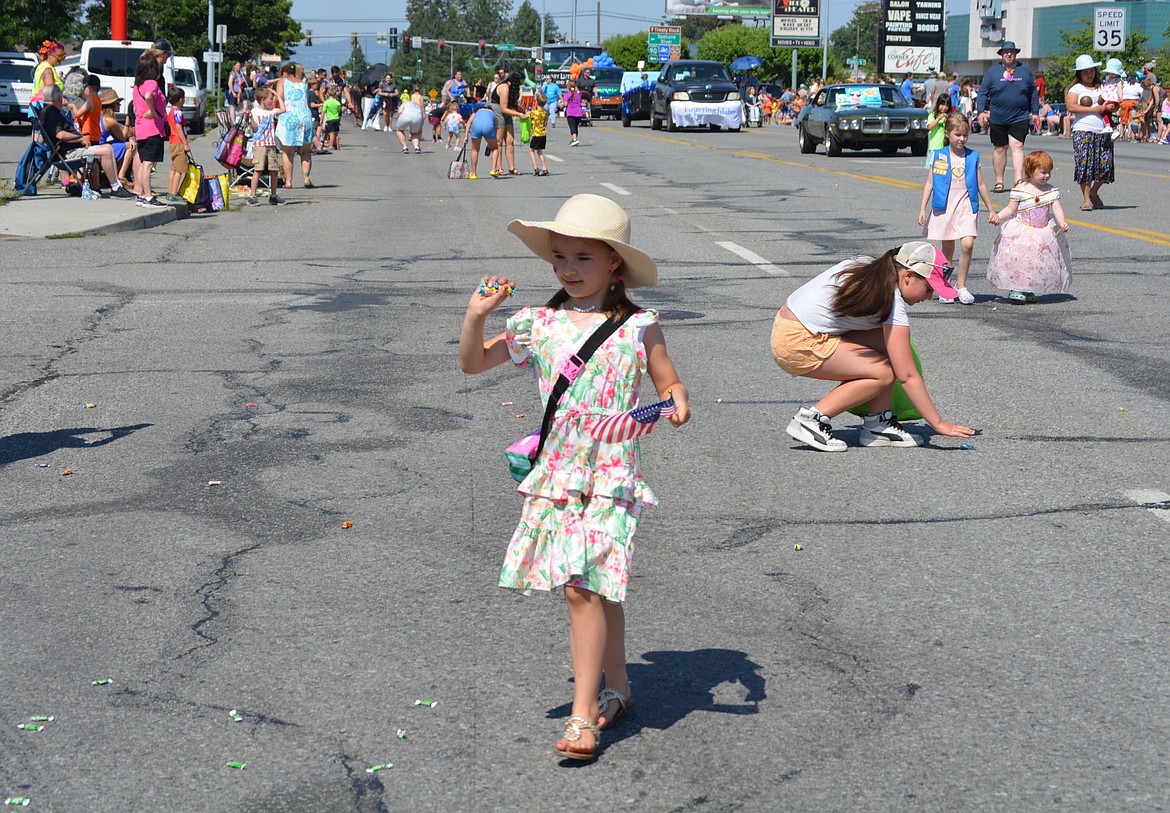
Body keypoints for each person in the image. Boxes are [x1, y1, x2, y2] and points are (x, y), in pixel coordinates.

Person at [458, 193, 690, 761]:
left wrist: (674, 405)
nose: (567, 269)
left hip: (612, 474)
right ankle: (619, 689)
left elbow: (670, 384)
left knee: (583, 586)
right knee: (595, 585)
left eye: (583, 258)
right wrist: (475, 316)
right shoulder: (538, 323)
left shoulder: (640, 325)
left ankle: (584, 716)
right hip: (558, 475)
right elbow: (473, 363)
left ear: (615, 262)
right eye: (559, 257)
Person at [773, 241, 975, 452]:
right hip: (796, 341)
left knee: (892, 345)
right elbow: (907, 376)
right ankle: (810, 419)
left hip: (790, 328)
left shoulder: (873, 267)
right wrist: (938, 424)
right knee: (884, 373)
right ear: (908, 276)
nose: (929, 297)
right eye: (928, 288)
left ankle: (878, 424)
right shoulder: (891, 299)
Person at [917, 113, 996, 305]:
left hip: (966, 205)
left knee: (968, 243)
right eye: (957, 135)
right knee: (948, 249)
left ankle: (962, 286)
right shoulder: (939, 155)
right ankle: (946, 285)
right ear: (947, 134)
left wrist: (991, 209)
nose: (961, 139)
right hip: (944, 206)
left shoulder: (973, 156)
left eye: (965, 135)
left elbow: (981, 184)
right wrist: (922, 208)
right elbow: (929, 183)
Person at [985, 150, 1071, 303]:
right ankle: (1016, 288)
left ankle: (1029, 287)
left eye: (1049, 172)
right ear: (1030, 171)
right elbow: (1011, 209)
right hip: (1022, 230)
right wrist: (998, 217)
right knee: (1020, 260)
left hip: (1042, 231)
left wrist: (1062, 221)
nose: (1046, 176)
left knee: (1037, 261)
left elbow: (1056, 208)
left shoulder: (1050, 191)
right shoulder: (1021, 190)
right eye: (1043, 172)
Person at [40, 86, 134, 198]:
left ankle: (116, 185)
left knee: (107, 148)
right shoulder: (51, 113)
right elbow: (60, 134)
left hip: (68, 150)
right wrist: (81, 138)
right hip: (67, 153)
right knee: (106, 150)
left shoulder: (48, 112)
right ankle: (115, 187)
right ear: (60, 98)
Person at [976, 41, 1040, 192]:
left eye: (1011, 52)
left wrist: (1035, 112)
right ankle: (999, 180)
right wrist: (981, 111)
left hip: (1019, 116)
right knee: (1000, 148)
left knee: (1017, 146)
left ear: (1016, 54)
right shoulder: (993, 71)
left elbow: (1033, 92)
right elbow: (983, 92)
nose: (1009, 54)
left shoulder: (1024, 70)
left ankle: (1018, 179)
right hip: (998, 117)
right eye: (1006, 52)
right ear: (1002, 54)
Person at [1066, 55, 1115, 211]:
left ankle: (1094, 192)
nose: (1089, 74)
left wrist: (1113, 107)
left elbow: (1112, 102)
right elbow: (1071, 107)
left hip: (1103, 130)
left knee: (1105, 166)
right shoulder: (1075, 89)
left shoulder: (1103, 87)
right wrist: (1094, 109)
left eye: (1092, 70)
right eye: (1085, 71)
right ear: (1079, 73)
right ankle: (1086, 199)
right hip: (1083, 130)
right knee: (1085, 165)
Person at [132, 50, 170, 208]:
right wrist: (153, 111)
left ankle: (141, 194)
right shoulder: (151, 84)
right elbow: (149, 96)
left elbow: (135, 109)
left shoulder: (137, 85)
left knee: (142, 163)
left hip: (141, 128)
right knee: (148, 164)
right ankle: (148, 197)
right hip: (152, 128)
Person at [246, 86, 287, 206]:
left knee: (274, 170)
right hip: (259, 144)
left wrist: (276, 94)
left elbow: (283, 109)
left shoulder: (271, 112)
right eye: (271, 98)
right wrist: (250, 119)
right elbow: (254, 128)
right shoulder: (255, 111)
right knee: (258, 170)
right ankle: (252, 196)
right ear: (263, 99)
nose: (273, 100)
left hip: (271, 144)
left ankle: (273, 195)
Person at [275, 62, 314, 188]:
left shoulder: (282, 82)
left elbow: (279, 98)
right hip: (304, 117)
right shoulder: (304, 83)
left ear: (285, 73)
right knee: (306, 151)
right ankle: (306, 178)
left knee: (288, 152)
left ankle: (288, 181)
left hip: (288, 117)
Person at [492, 71, 529, 175]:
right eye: (520, 83)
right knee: (499, 141)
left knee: (510, 140)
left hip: (508, 111)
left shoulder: (512, 89)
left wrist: (521, 110)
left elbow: (511, 105)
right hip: (498, 111)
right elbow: (503, 108)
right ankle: (499, 167)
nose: (520, 86)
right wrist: (519, 115)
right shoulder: (504, 88)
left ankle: (511, 167)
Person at [98, 88, 135, 186]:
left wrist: (129, 135)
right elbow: (123, 136)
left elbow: (120, 131)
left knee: (122, 145)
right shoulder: (110, 120)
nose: (119, 105)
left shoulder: (102, 116)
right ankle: (121, 175)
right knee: (129, 146)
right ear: (111, 105)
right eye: (117, 103)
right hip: (102, 147)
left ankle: (116, 174)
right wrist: (127, 122)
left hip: (98, 144)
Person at [165, 86, 190, 202]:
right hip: (179, 142)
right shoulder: (178, 112)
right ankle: (174, 192)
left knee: (174, 169)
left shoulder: (171, 111)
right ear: (180, 99)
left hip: (172, 142)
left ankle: (170, 191)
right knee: (179, 169)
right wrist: (185, 143)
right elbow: (179, 128)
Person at [465, 104, 497, 180]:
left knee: (475, 150)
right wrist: (490, 142)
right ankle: (493, 170)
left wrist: (466, 136)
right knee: (495, 148)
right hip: (488, 127)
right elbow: (495, 127)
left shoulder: (476, 112)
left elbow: (469, 123)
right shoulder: (493, 114)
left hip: (476, 127)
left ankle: (473, 174)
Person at [395, 85, 425, 154]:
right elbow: (422, 106)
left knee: (399, 130)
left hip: (406, 115)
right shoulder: (420, 97)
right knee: (415, 133)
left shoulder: (407, 102)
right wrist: (423, 114)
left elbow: (399, 111)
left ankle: (405, 147)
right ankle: (416, 147)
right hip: (418, 114)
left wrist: (400, 119)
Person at [923, 93, 952, 167]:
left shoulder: (950, 117)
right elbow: (929, 127)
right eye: (942, 105)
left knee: (942, 170)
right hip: (934, 147)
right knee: (932, 170)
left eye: (947, 105)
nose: (944, 107)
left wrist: (947, 121)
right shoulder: (933, 115)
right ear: (938, 104)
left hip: (945, 148)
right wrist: (938, 118)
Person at [528, 92, 549, 175]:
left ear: (536, 102)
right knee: (540, 152)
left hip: (536, 134)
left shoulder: (534, 113)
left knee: (531, 150)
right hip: (543, 134)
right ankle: (544, 168)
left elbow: (526, 116)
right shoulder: (545, 112)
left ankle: (536, 167)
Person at [564, 80, 584, 147]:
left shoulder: (567, 94)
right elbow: (580, 102)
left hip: (571, 112)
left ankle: (575, 139)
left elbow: (565, 103)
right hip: (579, 112)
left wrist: (562, 104)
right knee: (575, 127)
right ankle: (574, 139)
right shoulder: (578, 95)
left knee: (572, 127)